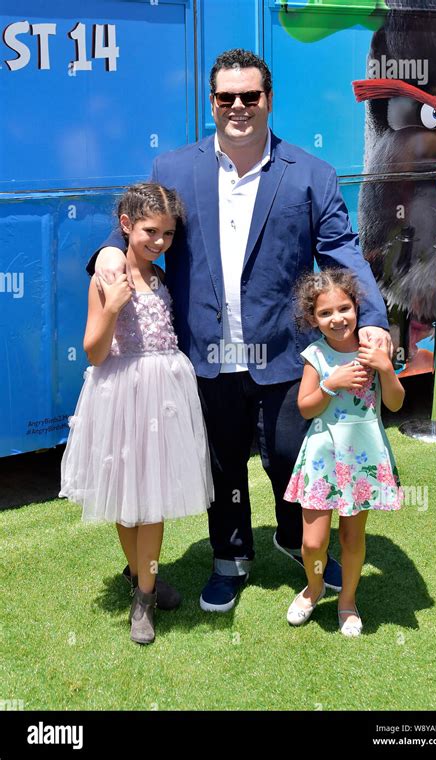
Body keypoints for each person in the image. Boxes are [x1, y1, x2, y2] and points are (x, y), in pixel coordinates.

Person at [86, 49, 393, 614]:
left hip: (282, 349)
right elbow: (136, 231)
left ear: (268, 100)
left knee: (286, 454)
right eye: (226, 97)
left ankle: (292, 536)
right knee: (223, 461)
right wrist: (109, 249)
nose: (238, 107)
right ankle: (229, 560)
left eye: (250, 96)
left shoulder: (312, 174)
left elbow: (343, 252)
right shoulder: (174, 169)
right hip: (205, 348)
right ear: (212, 103)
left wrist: (373, 321)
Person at [60, 183, 213, 644]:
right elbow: (94, 351)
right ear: (126, 226)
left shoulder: (162, 278)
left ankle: (145, 592)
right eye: (150, 231)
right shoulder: (107, 275)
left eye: (167, 233)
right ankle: (140, 583)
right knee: (127, 500)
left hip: (164, 395)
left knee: (154, 499)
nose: (160, 242)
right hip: (122, 394)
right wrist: (113, 307)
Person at [284, 269, 404, 635]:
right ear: (312, 319)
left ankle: (347, 601)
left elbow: (396, 404)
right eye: (325, 313)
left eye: (344, 308)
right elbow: (306, 407)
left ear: (356, 307)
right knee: (313, 541)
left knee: (352, 537)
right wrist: (330, 384)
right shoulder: (315, 355)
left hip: (364, 456)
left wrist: (386, 369)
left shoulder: (374, 350)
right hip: (322, 457)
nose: (337, 318)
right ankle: (315, 586)